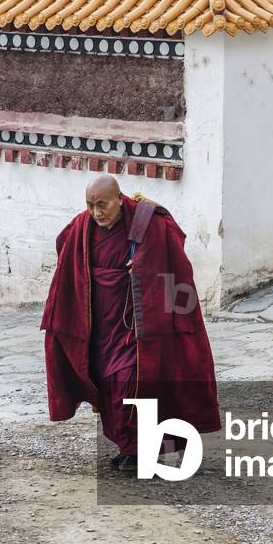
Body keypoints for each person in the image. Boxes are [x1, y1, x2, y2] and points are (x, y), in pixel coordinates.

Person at [41, 176, 220, 470]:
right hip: (99, 325)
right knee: (107, 382)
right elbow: (64, 250)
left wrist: (145, 269)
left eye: (103, 205)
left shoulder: (148, 221)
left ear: (119, 199)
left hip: (137, 325)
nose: (97, 212)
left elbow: (174, 257)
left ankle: (140, 452)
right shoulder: (82, 227)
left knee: (130, 380)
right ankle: (129, 447)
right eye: (90, 205)